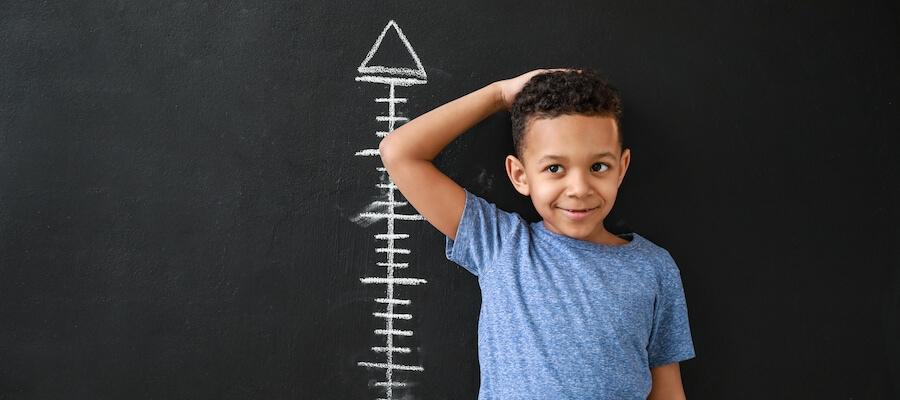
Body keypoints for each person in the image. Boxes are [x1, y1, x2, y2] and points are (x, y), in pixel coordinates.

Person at [378, 68, 696, 399]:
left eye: (598, 167)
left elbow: (668, 390)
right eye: (554, 168)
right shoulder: (499, 244)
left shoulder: (654, 268)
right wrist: (499, 94)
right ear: (520, 175)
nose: (579, 189)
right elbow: (399, 153)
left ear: (622, 167)